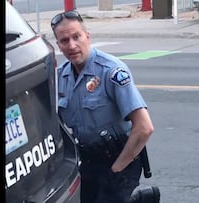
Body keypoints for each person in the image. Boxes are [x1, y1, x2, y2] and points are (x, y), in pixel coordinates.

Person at [51, 10, 154, 203]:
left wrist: (117, 169)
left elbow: (144, 128)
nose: (72, 45)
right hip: (88, 162)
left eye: (76, 37)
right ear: (59, 46)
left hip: (120, 160)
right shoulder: (61, 77)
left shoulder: (112, 71)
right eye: (65, 41)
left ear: (87, 37)